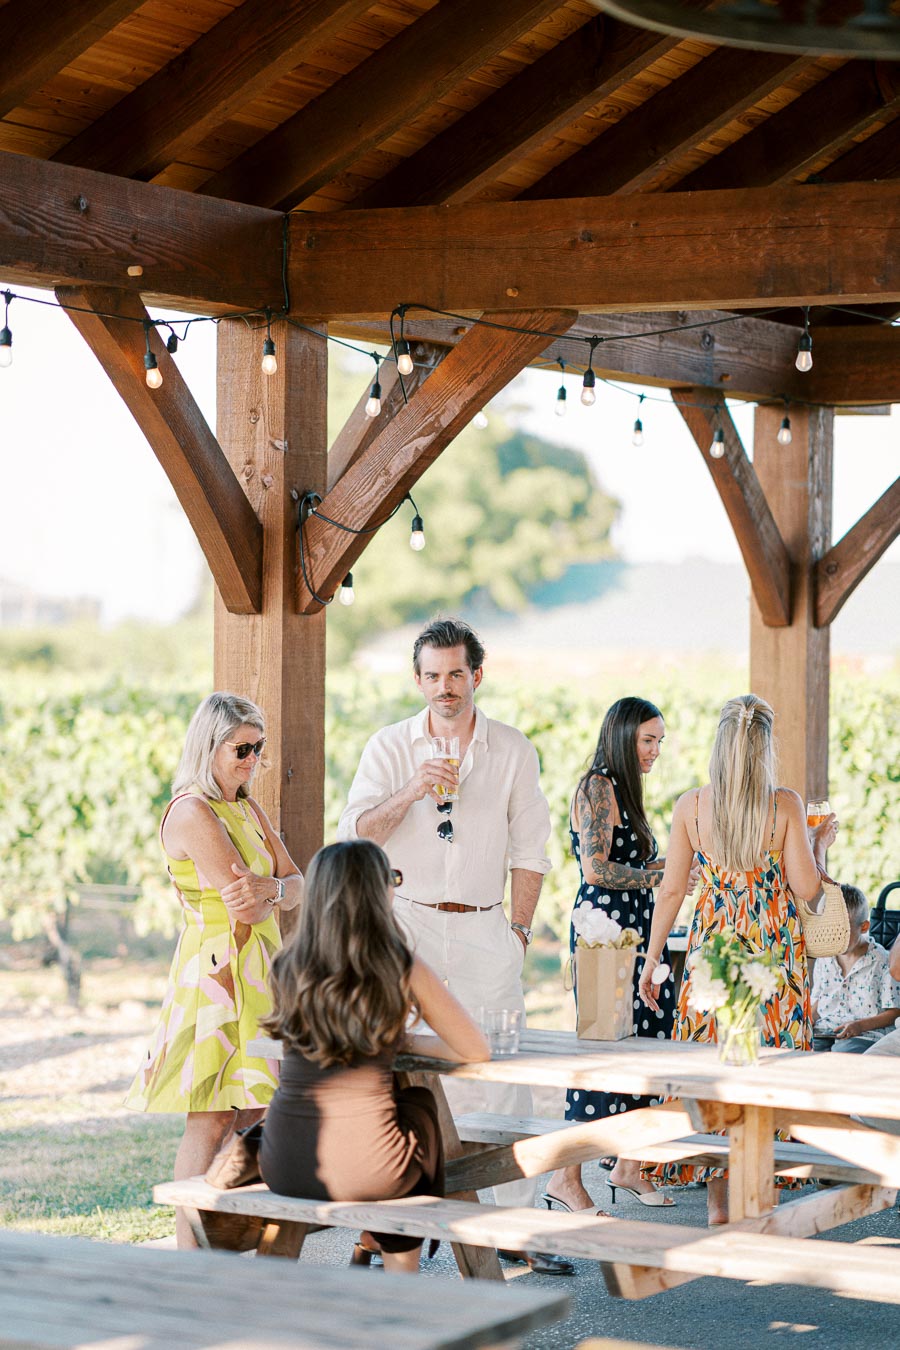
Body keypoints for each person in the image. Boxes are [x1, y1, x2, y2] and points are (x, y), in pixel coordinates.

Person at [337, 617, 571, 1276]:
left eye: (456, 674)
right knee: (395, 1070)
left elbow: (532, 852)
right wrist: (412, 788)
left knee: (502, 1075)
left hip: (485, 926)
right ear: (419, 680)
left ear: (476, 676)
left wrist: (518, 934)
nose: (446, 687)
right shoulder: (388, 747)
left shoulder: (513, 749)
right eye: (433, 676)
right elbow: (354, 835)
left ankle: (509, 1227)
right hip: (405, 924)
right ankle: (383, 1224)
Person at [638, 693, 837, 1225]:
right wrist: (819, 845)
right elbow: (808, 890)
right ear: (764, 749)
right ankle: (758, 1202)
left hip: (713, 961)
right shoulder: (785, 806)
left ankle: (718, 1206)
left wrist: (652, 960)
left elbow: (671, 892)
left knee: (713, 1071)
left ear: (720, 746)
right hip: (771, 961)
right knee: (768, 1072)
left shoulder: (691, 806)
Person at [259, 840, 489, 1274]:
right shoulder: (397, 964)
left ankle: (372, 1246)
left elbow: (290, 1055)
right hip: (368, 1170)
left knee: (399, 1122)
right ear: (374, 892)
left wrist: (388, 1039)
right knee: (420, 1110)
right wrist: (402, 1041)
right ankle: (398, 1266)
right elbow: (474, 1049)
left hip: (284, 1161)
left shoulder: (287, 963)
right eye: (392, 879)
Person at [125, 692, 303, 1248]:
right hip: (217, 975)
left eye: (259, 749)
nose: (253, 760)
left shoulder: (248, 809)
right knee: (209, 1117)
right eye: (242, 749)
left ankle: (237, 1237)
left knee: (255, 1110)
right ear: (209, 746)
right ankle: (190, 1250)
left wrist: (273, 888)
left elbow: (297, 884)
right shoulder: (192, 811)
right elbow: (248, 904)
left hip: (260, 971)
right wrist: (276, 891)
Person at [545, 697, 691, 1216]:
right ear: (623, 735)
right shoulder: (596, 787)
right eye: (647, 739)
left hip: (635, 926)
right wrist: (664, 877)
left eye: (659, 741)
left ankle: (628, 1166)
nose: (655, 751)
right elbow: (596, 870)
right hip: (603, 931)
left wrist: (677, 864)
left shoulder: (627, 789)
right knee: (603, 1053)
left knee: (646, 1042)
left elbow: (634, 859)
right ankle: (566, 1178)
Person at [811, 885, 900, 1052]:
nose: (834, 937)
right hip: (825, 1031)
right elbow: (817, 1000)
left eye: (842, 932)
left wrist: (859, 1026)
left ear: (864, 927)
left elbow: (894, 1012)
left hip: (865, 1034)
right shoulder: (824, 957)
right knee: (800, 1049)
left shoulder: (882, 961)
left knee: (842, 1053)